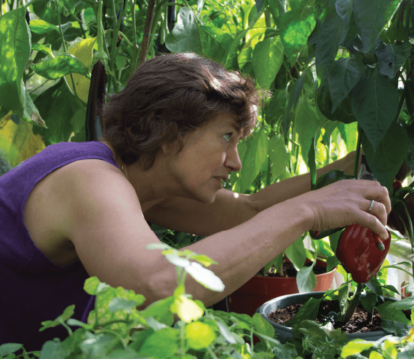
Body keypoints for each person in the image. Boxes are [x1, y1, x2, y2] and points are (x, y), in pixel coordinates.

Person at [0, 53, 391, 350]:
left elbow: (247, 210)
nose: (236, 162)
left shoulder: (134, 183)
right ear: (168, 128)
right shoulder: (90, 179)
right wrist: (308, 210)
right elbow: (157, 284)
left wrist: (355, 168)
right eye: (226, 138)